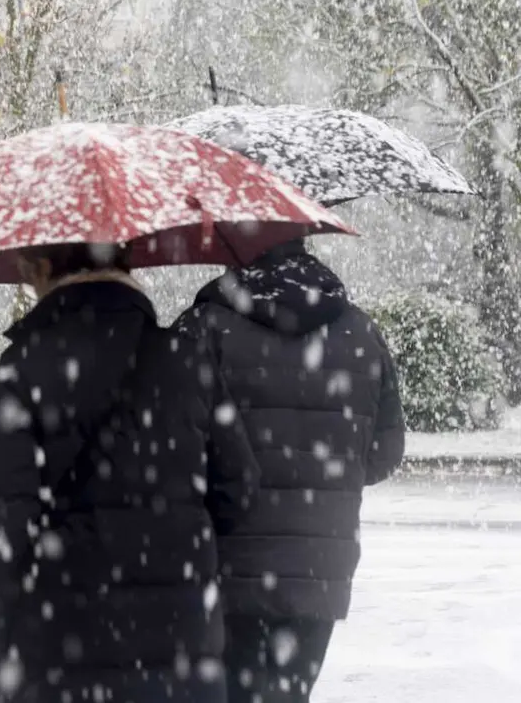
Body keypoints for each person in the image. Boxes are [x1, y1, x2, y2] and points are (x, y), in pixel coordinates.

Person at [0, 245, 260, 703]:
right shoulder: (188, 360)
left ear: (45, 269)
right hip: (180, 647)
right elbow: (238, 489)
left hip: (60, 652)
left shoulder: (24, 368)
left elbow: (0, 528)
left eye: (28, 271)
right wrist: (177, 546)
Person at [176, 239, 405, 702]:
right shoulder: (360, 333)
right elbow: (385, 453)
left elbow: (172, 447)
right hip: (320, 571)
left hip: (225, 569)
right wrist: (324, 476)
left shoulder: (205, 328)